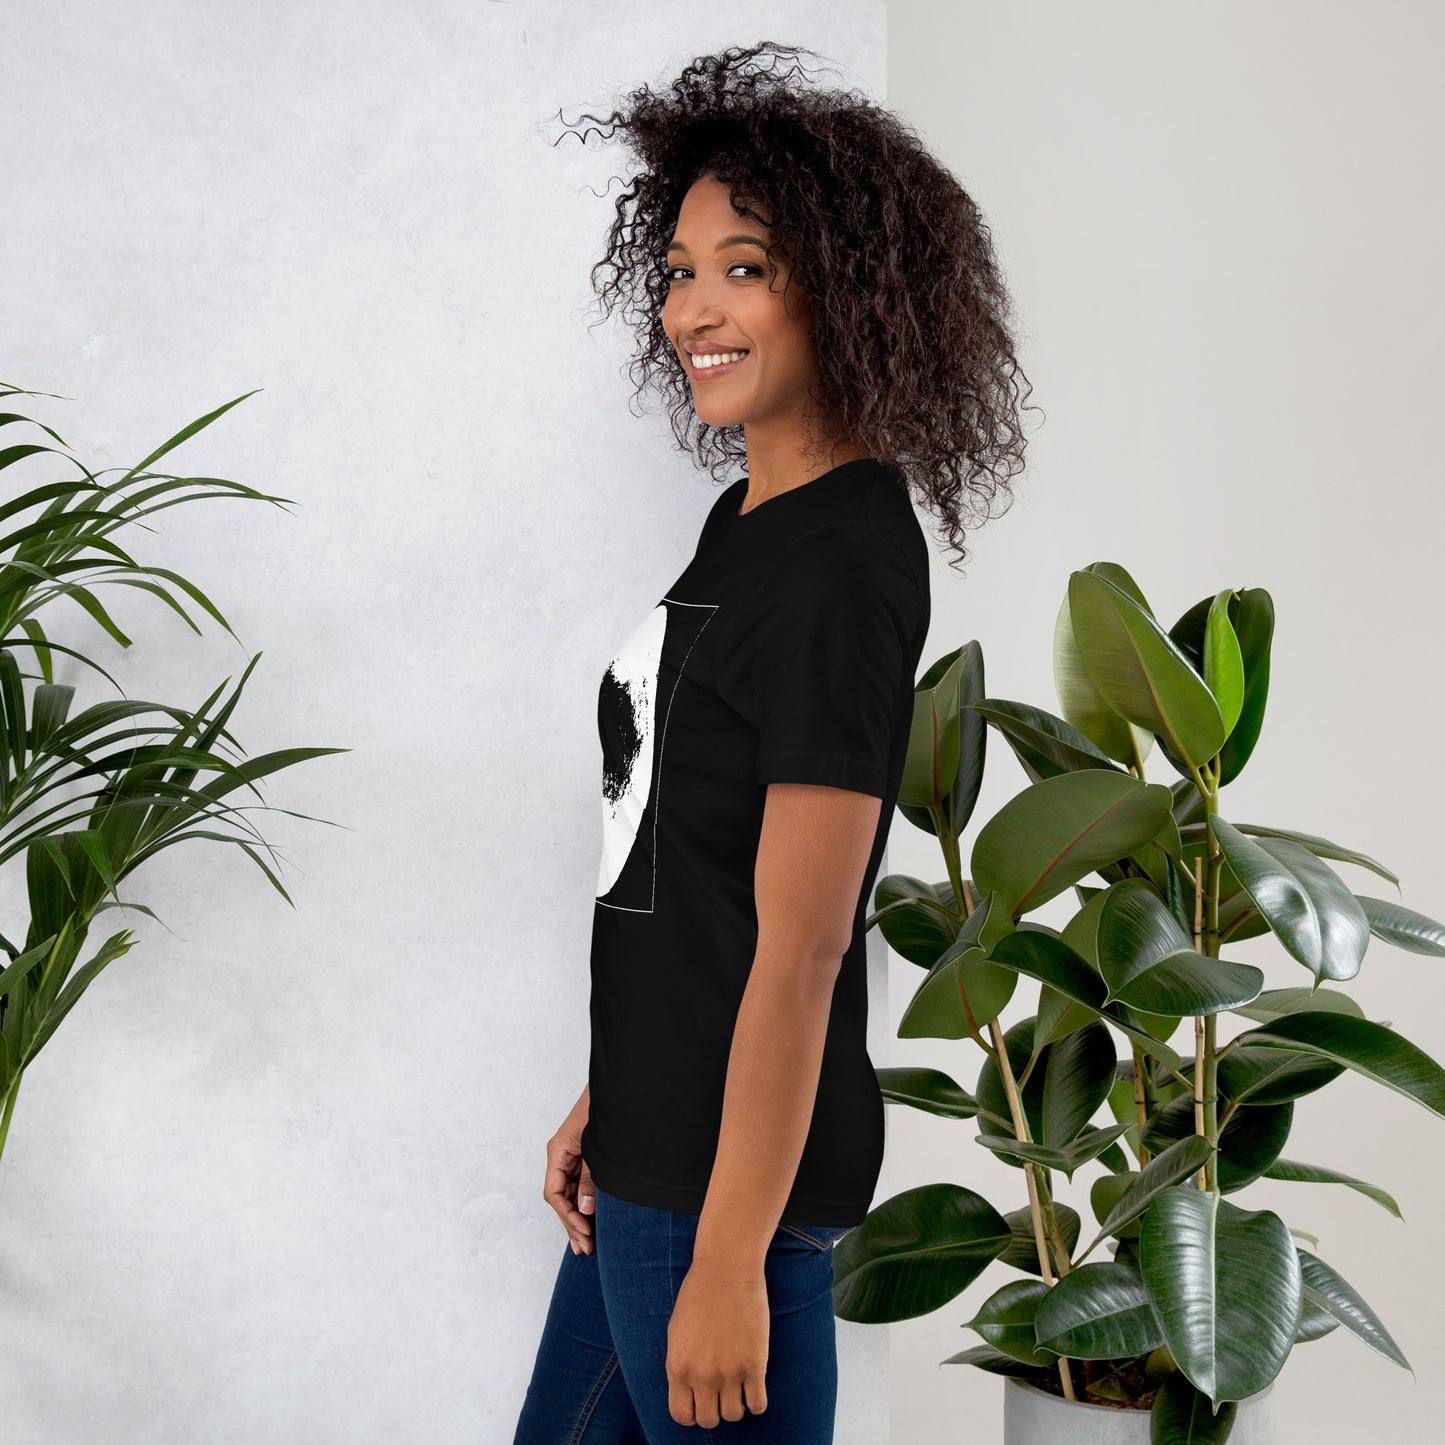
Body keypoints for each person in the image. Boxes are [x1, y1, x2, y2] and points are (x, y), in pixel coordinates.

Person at [514, 41, 1034, 1445]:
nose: (695, 307)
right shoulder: (750, 518)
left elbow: (802, 947)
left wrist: (731, 1259)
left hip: (717, 1204)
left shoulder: (844, 560)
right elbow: (689, 858)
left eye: (743, 266)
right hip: (650, 1159)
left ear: (850, 288)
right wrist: (607, 1094)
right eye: (679, 270)